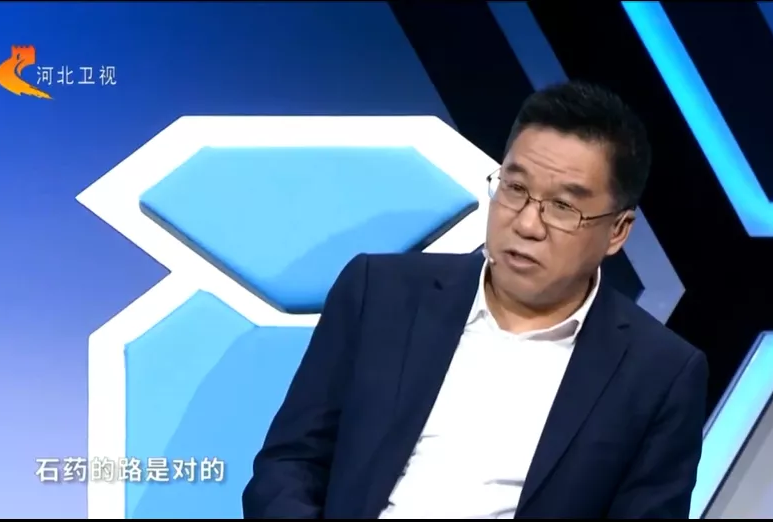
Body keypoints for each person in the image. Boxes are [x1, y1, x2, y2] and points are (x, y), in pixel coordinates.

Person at [242, 80, 707, 519]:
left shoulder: (660, 374)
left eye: (563, 206)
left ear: (618, 231)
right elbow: (290, 464)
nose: (527, 224)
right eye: (515, 188)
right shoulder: (378, 293)